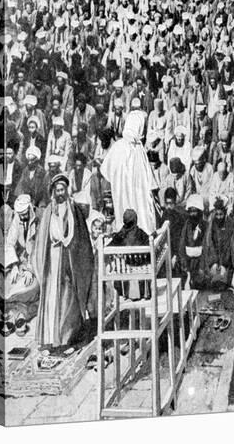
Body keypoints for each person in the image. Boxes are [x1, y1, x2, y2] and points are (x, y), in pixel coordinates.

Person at [33, 173, 94, 349]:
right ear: (53, 191)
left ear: (66, 190)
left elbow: (81, 238)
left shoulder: (73, 209)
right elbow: (42, 238)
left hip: (69, 259)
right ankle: (51, 337)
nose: (60, 193)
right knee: (52, 297)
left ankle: (67, 336)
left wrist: (70, 246)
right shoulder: (48, 211)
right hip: (52, 260)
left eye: (63, 189)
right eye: (57, 190)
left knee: (68, 297)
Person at [101, 110, 157, 235]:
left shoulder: (118, 147)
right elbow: (150, 182)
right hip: (133, 197)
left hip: (123, 196)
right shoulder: (138, 150)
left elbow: (106, 172)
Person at [110, 209, 150, 299]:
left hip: (125, 268)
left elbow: (111, 245)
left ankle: (123, 293)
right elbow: (149, 241)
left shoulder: (120, 234)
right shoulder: (140, 233)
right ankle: (145, 292)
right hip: (141, 266)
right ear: (136, 220)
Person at [204, 196, 234, 289]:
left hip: (227, 262)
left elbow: (230, 246)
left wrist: (223, 264)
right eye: (217, 214)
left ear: (225, 213)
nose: (218, 217)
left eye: (221, 214)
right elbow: (209, 243)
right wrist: (214, 262)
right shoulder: (212, 223)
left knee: (223, 282)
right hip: (214, 261)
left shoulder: (230, 224)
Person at [178, 194, 207, 290]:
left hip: (201, 262)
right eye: (191, 211)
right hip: (188, 262)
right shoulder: (187, 225)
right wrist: (186, 268)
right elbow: (182, 246)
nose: (193, 214)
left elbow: (206, 247)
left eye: (195, 211)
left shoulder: (205, 226)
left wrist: (202, 266)